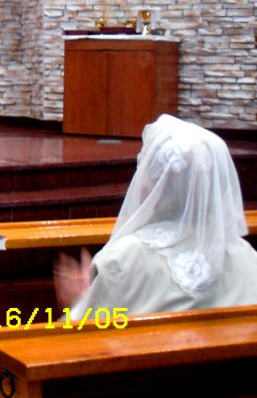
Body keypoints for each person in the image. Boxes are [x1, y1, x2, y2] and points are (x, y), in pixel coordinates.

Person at [55, 114, 257, 319]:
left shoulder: (123, 261)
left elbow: (80, 330)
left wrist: (79, 300)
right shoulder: (247, 258)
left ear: (155, 187)